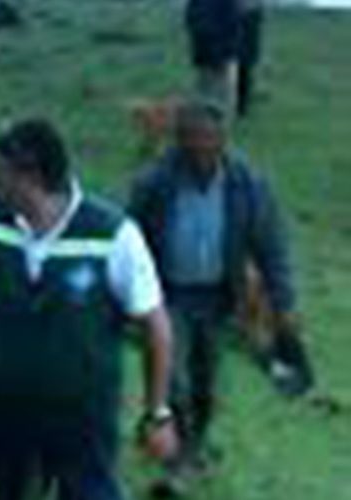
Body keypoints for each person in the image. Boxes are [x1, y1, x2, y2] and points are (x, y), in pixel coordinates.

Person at [0, 119, 178, 500]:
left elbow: (154, 325)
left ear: (31, 176)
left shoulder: (111, 235)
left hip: (81, 423)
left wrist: (157, 412)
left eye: (1, 173)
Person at [126, 100, 311, 497]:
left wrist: (284, 304)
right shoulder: (155, 184)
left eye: (209, 140)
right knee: (172, 374)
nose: (201, 150)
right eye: (192, 140)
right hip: (168, 294)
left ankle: (194, 445)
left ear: (223, 141)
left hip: (218, 296)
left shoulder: (248, 186)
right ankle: (176, 460)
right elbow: (130, 240)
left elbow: (271, 247)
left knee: (206, 378)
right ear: (179, 142)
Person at [185, 0, 265, 118]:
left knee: (220, 81)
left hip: (221, 46)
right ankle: (216, 112)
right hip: (219, 45)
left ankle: (222, 111)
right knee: (216, 82)